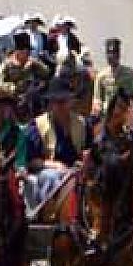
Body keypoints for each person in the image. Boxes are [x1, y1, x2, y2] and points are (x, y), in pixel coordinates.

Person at [17, 78, 91, 208]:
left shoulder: (83, 124)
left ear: (71, 101)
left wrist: (85, 160)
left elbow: (88, 150)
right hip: (49, 170)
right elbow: (31, 161)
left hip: (77, 169)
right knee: (52, 177)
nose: (61, 105)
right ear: (50, 104)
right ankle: (52, 212)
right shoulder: (38, 125)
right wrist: (55, 165)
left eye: (64, 101)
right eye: (57, 102)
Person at [93, 38, 133, 170]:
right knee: (92, 133)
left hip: (127, 113)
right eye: (109, 53)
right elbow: (97, 98)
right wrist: (97, 106)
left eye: (114, 53)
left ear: (118, 55)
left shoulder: (129, 74)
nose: (111, 56)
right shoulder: (101, 76)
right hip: (107, 114)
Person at [0, 30, 50, 113]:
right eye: (26, 51)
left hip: (30, 94)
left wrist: (36, 63)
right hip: (11, 95)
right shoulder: (7, 64)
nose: (28, 53)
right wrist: (11, 87)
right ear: (18, 51)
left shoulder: (32, 62)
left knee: (39, 103)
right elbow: (0, 81)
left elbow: (46, 73)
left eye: (29, 51)